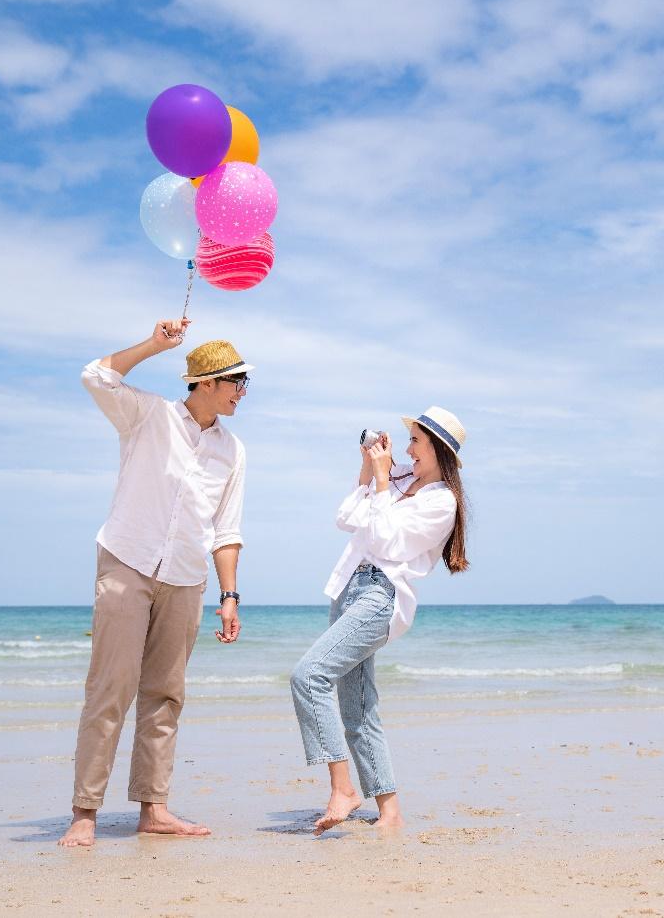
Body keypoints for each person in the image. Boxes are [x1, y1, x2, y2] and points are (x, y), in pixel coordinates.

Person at [59, 319, 251, 848]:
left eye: (244, 383)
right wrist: (154, 346)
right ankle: (84, 812)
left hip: (187, 579)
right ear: (206, 382)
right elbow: (95, 377)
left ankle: (154, 808)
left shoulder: (233, 451)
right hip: (127, 561)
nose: (243, 392)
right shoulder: (147, 415)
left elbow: (226, 530)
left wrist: (229, 595)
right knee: (110, 689)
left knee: (165, 695)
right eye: (237, 381)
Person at [290, 406, 470, 835]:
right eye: (408, 440)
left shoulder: (441, 501)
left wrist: (384, 482)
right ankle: (390, 811)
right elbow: (346, 518)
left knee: (308, 676)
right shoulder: (403, 480)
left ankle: (342, 788)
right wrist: (368, 470)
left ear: (438, 450)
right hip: (349, 589)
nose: (408, 449)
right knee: (359, 707)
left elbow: (387, 542)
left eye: (416, 442)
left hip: (380, 595)